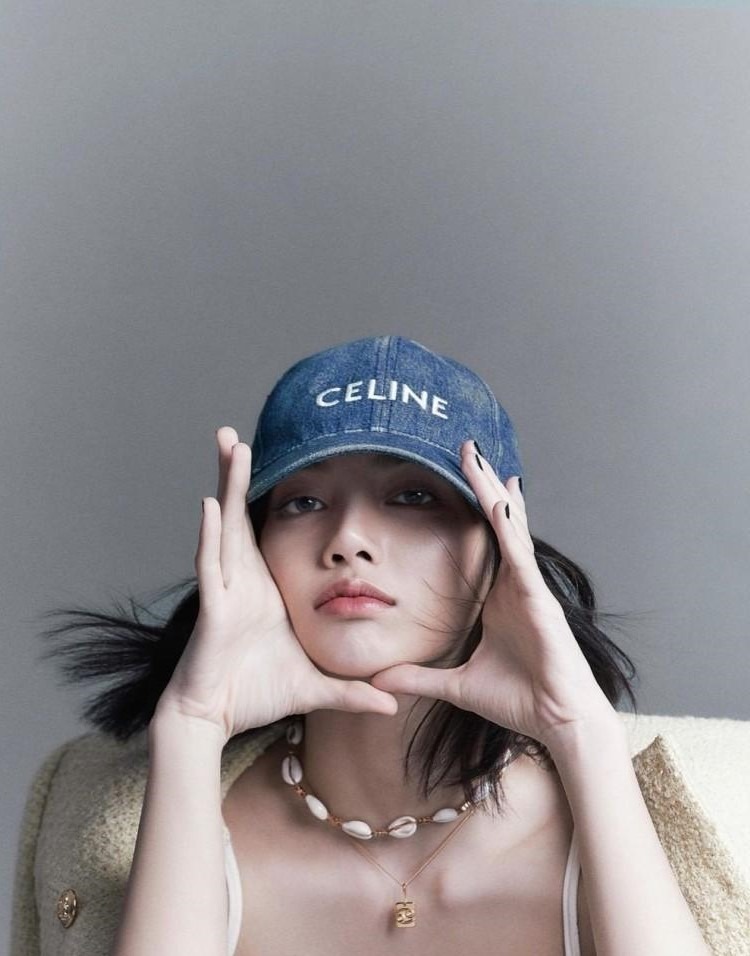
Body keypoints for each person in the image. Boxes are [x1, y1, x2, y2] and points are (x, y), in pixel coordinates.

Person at [13, 335, 718, 956]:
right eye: (303, 502)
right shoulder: (88, 795)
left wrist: (581, 732)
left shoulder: (717, 790)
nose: (348, 539)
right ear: (249, 550)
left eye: (413, 497)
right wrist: (193, 727)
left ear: (501, 546)